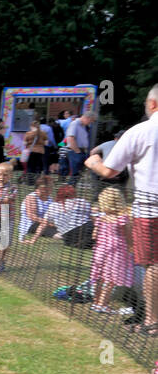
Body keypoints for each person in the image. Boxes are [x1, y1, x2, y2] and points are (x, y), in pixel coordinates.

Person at [86, 84, 158, 334]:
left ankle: (152, 321)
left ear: (152, 104)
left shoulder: (140, 131)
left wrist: (94, 162)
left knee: (152, 265)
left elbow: (109, 171)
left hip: (150, 211)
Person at [88, 187, 134, 314]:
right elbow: (129, 235)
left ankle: (96, 302)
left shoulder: (100, 218)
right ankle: (102, 305)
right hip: (116, 251)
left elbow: (94, 235)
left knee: (100, 277)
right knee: (111, 278)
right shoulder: (122, 218)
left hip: (100, 249)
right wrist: (131, 248)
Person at [19, 175, 54, 242]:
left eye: (51, 186)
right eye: (50, 186)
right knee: (55, 233)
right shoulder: (31, 197)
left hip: (44, 224)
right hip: (31, 225)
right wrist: (47, 223)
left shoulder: (49, 199)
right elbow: (32, 216)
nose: (51, 188)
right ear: (42, 187)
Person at [65, 112, 93, 181]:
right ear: (87, 118)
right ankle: (69, 190)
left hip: (81, 151)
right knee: (75, 174)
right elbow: (70, 138)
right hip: (75, 152)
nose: (91, 122)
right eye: (91, 120)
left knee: (78, 174)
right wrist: (77, 151)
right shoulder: (75, 124)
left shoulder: (84, 126)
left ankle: (72, 189)